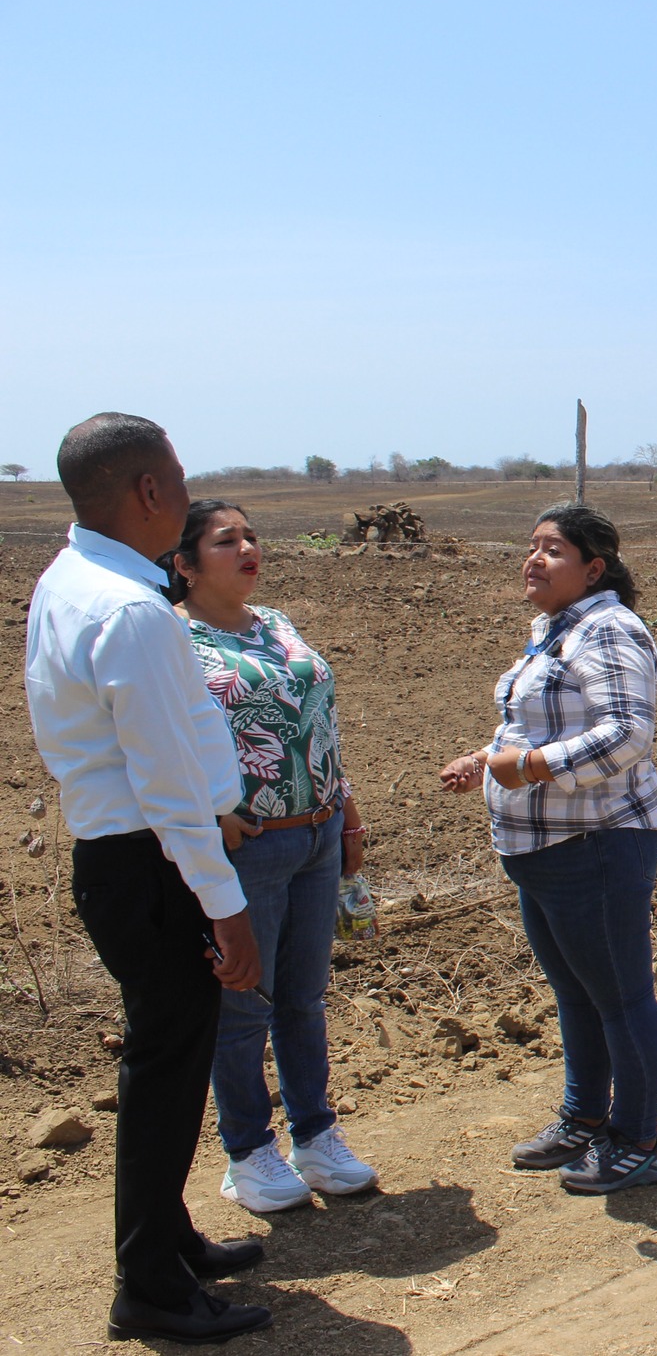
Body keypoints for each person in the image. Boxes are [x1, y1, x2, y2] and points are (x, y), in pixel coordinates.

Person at [24, 414, 272, 1344]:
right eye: (180, 474)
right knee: (167, 1071)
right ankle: (153, 1288)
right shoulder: (129, 610)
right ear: (152, 491)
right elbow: (167, 785)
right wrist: (226, 906)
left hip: (123, 855)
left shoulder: (71, 578)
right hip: (155, 862)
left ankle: (169, 1241)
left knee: (166, 1058)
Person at [438, 504, 657, 1194]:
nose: (533, 559)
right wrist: (485, 757)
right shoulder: (555, 630)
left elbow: (628, 733)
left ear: (593, 569)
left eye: (553, 550)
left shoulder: (607, 629)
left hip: (595, 842)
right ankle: (585, 1116)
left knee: (620, 998)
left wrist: (531, 767)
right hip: (543, 849)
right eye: (531, 546)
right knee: (578, 992)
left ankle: (637, 1140)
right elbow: (534, 722)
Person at [165, 501, 380, 1213]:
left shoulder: (277, 624)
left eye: (251, 536)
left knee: (302, 999)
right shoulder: (173, 639)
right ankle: (248, 1152)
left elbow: (320, 723)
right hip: (250, 845)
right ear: (186, 564)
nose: (247, 548)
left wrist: (345, 808)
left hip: (317, 832)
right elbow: (162, 739)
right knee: (242, 1004)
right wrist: (210, 814)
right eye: (226, 540)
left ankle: (314, 1136)